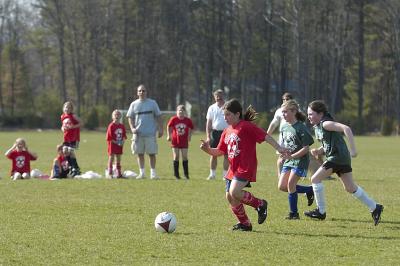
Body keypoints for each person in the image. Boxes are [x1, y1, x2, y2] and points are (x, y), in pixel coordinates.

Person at [200, 99, 288, 231]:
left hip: (246, 166)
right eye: (224, 115)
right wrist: (207, 149)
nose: (225, 118)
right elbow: (219, 151)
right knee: (230, 197)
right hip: (233, 169)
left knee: (234, 191)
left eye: (228, 114)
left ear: (237, 114)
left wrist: (279, 147)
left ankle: (260, 204)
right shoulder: (226, 131)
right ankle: (245, 224)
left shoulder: (246, 126)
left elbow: (265, 136)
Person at [304, 100, 383, 225]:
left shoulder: (326, 123)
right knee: (350, 187)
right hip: (341, 158)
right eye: (308, 114)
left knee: (315, 179)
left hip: (337, 158)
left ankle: (321, 211)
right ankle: (375, 207)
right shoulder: (318, 126)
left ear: (320, 114)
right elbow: (329, 145)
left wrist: (353, 150)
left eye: (311, 114)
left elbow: (346, 128)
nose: (308, 117)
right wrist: (319, 151)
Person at [277, 100, 315, 220]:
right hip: (289, 160)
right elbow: (286, 145)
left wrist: (292, 156)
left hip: (300, 161)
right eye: (282, 112)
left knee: (290, 184)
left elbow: (306, 149)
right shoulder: (284, 127)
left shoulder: (301, 127)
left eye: (285, 112)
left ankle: (294, 213)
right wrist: (283, 153)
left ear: (293, 112)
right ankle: (309, 190)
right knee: (282, 186)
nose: (283, 115)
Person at [126, 84, 163, 180]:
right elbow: (130, 117)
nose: (142, 92)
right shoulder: (134, 104)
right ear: (137, 93)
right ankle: (142, 173)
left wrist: (160, 128)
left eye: (143, 91)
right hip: (138, 134)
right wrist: (132, 128)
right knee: (140, 153)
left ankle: (153, 174)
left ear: (146, 92)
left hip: (150, 133)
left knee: (152, 154)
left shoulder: (152, 103)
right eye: (140, 91)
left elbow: (158, 116)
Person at [205, 89, 229, 180]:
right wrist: (208, 136)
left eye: (220, 95)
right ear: (214, 97)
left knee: (226, 154)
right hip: (215, 133)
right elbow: (209, 123)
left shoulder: (228, 106)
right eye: (217, 96)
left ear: (224, 95)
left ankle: (225, 175)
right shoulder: (211, 108)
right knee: (213, 153)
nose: (219, 97)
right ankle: (212, 174)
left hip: (227, 132)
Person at [167, 105, 194, 179]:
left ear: (184, 112)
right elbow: (168, 126)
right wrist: (169, 135)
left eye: (182, 110)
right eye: (179, 110)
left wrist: (189, 136)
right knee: (176, 157)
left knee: (185, 157)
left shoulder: (187, 120)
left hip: (184, 141)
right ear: (176, 111)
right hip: (175, 141)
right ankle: (176, 175)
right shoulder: (173, 119)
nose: (180, 112)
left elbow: (191, 127)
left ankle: (186, 174)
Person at [60, 101, 81, 176]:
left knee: (70, 151)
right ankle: (71, 166)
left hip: (74, 137)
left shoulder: (73, 116)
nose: (67, 109)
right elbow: (63, 126)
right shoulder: (62, 116)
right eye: (66, 107)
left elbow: (81, 123)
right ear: (63, 108)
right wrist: (62, 128)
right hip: (66, 137)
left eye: (69, 107)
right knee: (65, 151)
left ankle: (75, 168)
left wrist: (73, 127)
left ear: (71, 109)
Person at [106, 109, 127, 178]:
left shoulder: (122, 126)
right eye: (115, 114)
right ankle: (110, 172)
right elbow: (109, 138)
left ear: (120, 116)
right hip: (113, 145)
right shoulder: (111, 126)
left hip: (119, 145)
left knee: (118, 158)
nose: (117, 116)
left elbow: (124, 136)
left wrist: (122, 142)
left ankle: (118, 173)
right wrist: (117, 142)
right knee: (111, 157)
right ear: (112, 116)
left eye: (118, 114)